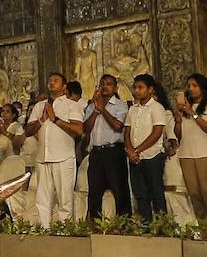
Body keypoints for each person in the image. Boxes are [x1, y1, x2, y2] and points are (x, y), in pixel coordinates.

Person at [23, 72, 84, 226]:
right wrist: (41, 120)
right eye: (50, 80)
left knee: (65, 199)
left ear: (64, 87)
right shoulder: (39, 106)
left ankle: (64, 230)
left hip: (63, 157)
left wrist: (55, 119)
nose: (51, 82)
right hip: (42, 157)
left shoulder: (71, 105)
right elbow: (28, 131)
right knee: (42, 199)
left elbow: (78, 130)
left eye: (56, 80)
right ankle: (45, 229)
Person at [173, 73, 207, 224]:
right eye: (189, 86)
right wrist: (178, 120)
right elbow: (179, 135)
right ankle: (203, 227)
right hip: (187, 155)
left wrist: (193, 114)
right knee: (194, 193)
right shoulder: (186, 108)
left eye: (195, 85)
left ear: (203, 87)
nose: (191, 89)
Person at [82, 74, 131, 219]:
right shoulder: (92, 106)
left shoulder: (121, 105)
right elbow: (86, 128)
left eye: (109, 84)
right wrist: (96, 110)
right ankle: (94, 225)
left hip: (114, 152)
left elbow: (117, 126)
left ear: (115, 88)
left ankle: (124, 224)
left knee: (119, 190)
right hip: (96, 153)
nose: (105, 86)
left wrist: (103, 109)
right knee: (94, 192)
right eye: (102, 83)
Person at [124, 73, 169, 219]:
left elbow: (156, 133)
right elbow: (127, 131)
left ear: (150, 89)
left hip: (152, 156)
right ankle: (146, 226)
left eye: (140, 87)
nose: (137, 91)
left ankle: (162, 226)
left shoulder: (157, 108)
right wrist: (130, 151)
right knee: (140, 194)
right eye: (135, 87)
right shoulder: (132, 109)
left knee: (156, 193)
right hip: (135, 158)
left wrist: (137, 150)